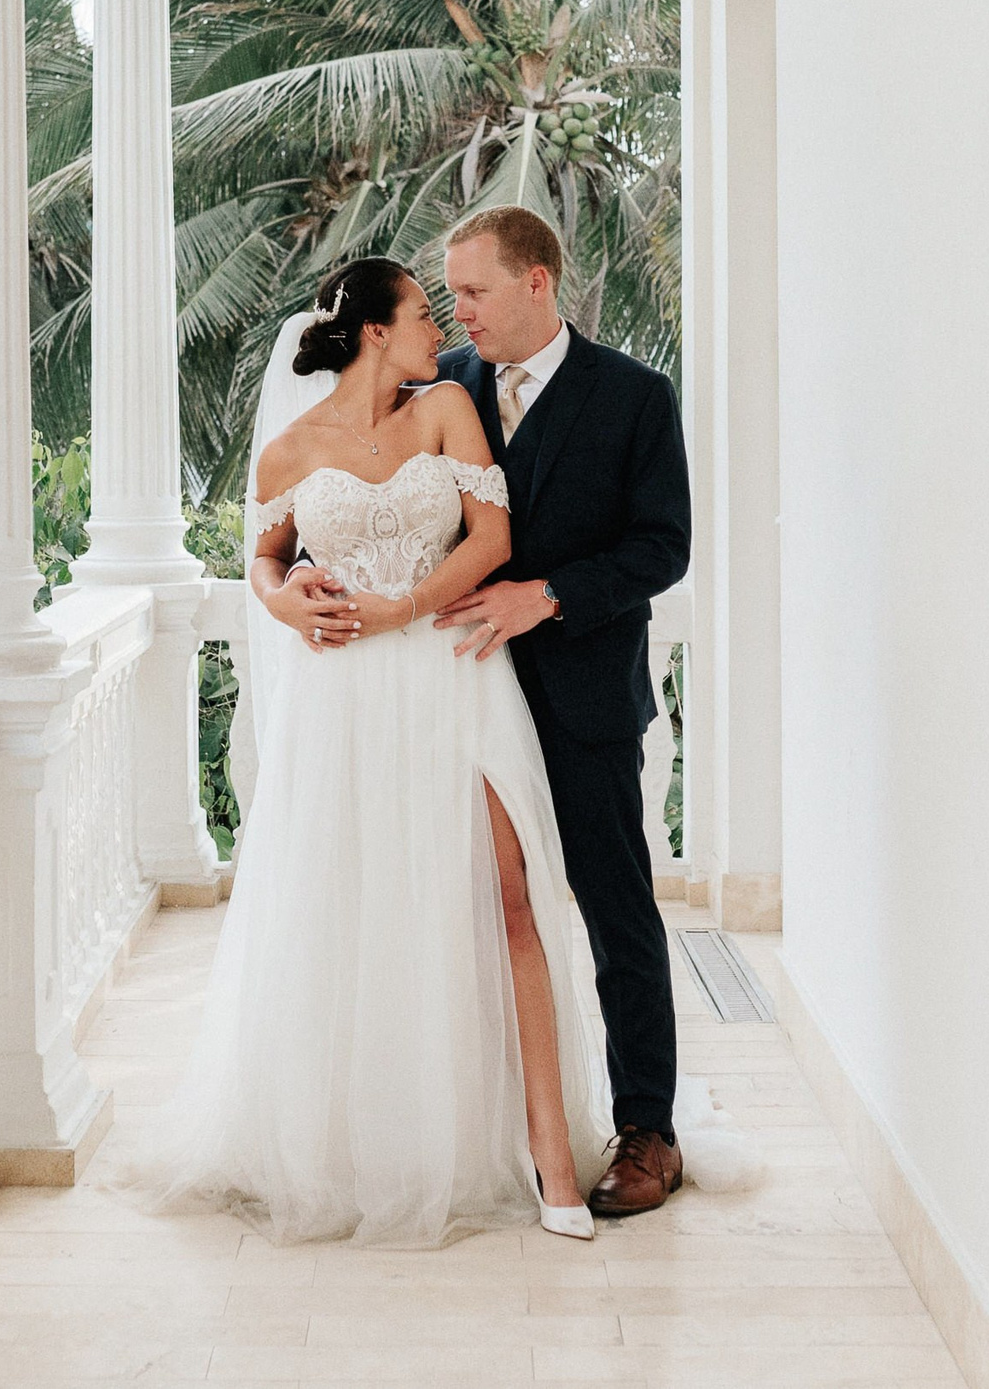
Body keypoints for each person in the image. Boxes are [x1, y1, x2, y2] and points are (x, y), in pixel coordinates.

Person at [114, 252, 756, 1248]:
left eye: (461, 296)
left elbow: (493, 539)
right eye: (424, 307)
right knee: (355, 904)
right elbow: (265, 555)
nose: (444, 322)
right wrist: (284, 600)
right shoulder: (289, 448)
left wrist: (400, 608)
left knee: (512, 894)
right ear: (374, 329)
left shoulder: (448, 406)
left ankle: (558, 1158)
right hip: (343, 701)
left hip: (452, 666)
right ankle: (367, 1140)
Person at [431, 204, 696, 1217]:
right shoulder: (443, 384)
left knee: (613, 907)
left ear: (537, 280)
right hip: (461, 694)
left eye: (474, 289)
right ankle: (494, 1121)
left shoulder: (634, 396)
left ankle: (647, 1130)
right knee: (473, 908)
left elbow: (660, 547)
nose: (460, 311)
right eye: (452, 291)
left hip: (584, 697)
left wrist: (542, 595)